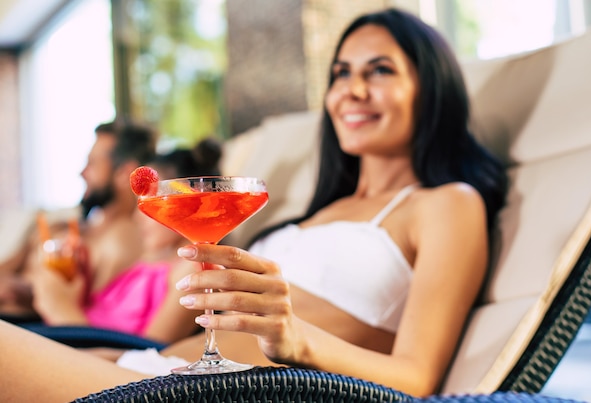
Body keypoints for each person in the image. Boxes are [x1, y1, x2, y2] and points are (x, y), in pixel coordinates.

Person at [0, 8, 508, 401]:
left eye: (378, 71)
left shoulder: (445, 204)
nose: (352, 90)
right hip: (150, 371)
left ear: (431, 88)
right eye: (340, 73)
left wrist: (296, 338)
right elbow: (169, 331)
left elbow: (418, 379)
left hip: (227, 391)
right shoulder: (315, 212)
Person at [27, 138, 222, 344]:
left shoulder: (194, 271)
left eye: (152, 204)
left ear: (190, 206)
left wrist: (60, 309)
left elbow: (148, 357)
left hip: (81, 358)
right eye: (140, 205)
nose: (138, 217)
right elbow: (99, 319)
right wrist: (79, 283)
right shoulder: (144, 265)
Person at [0, 120, 157, 319]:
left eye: (92, 164)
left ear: (124, 172)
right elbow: (8, 264)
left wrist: (27, 292)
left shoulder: (120, 244)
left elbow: (90, 316)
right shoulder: (63, 225)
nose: (82, 173)